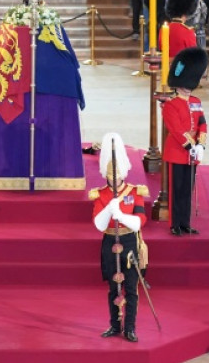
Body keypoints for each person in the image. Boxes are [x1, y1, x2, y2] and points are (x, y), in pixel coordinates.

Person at [90, 132, 147, 343]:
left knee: (131, 288)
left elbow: (140, 220)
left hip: (129, 241)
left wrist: (121, 214)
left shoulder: (135, 191)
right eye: (111, 178)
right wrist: (108, 211)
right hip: (109, 242)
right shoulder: (101, 194)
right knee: (113, 287)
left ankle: (130, 327)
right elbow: (99, 224)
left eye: (118, 177)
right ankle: (114, 325)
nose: (115, 181)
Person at [163, 47, 209, 236]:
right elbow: (175, 129)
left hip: (192, 154)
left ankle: (185, 222)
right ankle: (175, 223)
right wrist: (190, 145)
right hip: (177, 152)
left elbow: (202, 123)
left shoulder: (196, 101)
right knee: (177, 190)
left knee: (188, 190)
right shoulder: (170, 104)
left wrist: (201, 145)